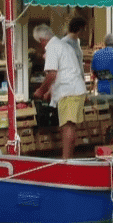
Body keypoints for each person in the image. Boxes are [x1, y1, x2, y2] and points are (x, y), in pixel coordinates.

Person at [32, 24, 87, 159]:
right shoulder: (63, 45)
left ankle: (66, 160)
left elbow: (52, 74)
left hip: (69, 90)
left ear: (41, 40)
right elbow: (64, 70)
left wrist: (40, 90)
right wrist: (50, 91)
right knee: (69, 125)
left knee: (68, 125)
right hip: (74, 89)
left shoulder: (52, 48)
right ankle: (68, 158)